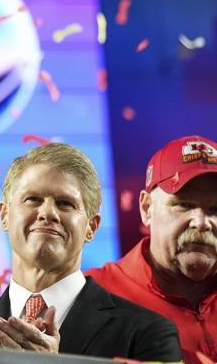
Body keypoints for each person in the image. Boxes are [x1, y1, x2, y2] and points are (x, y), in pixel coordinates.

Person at [0, 143, 181, 361]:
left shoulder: (148, 334)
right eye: (33, 199)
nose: (47, 213)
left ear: (91, 227)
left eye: (65, 203)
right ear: (4, 215)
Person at [87, 135, 217, 364]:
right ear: (147, 208)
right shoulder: (89, 298)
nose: (202, 222)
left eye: (215, 210)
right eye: (185, 205)